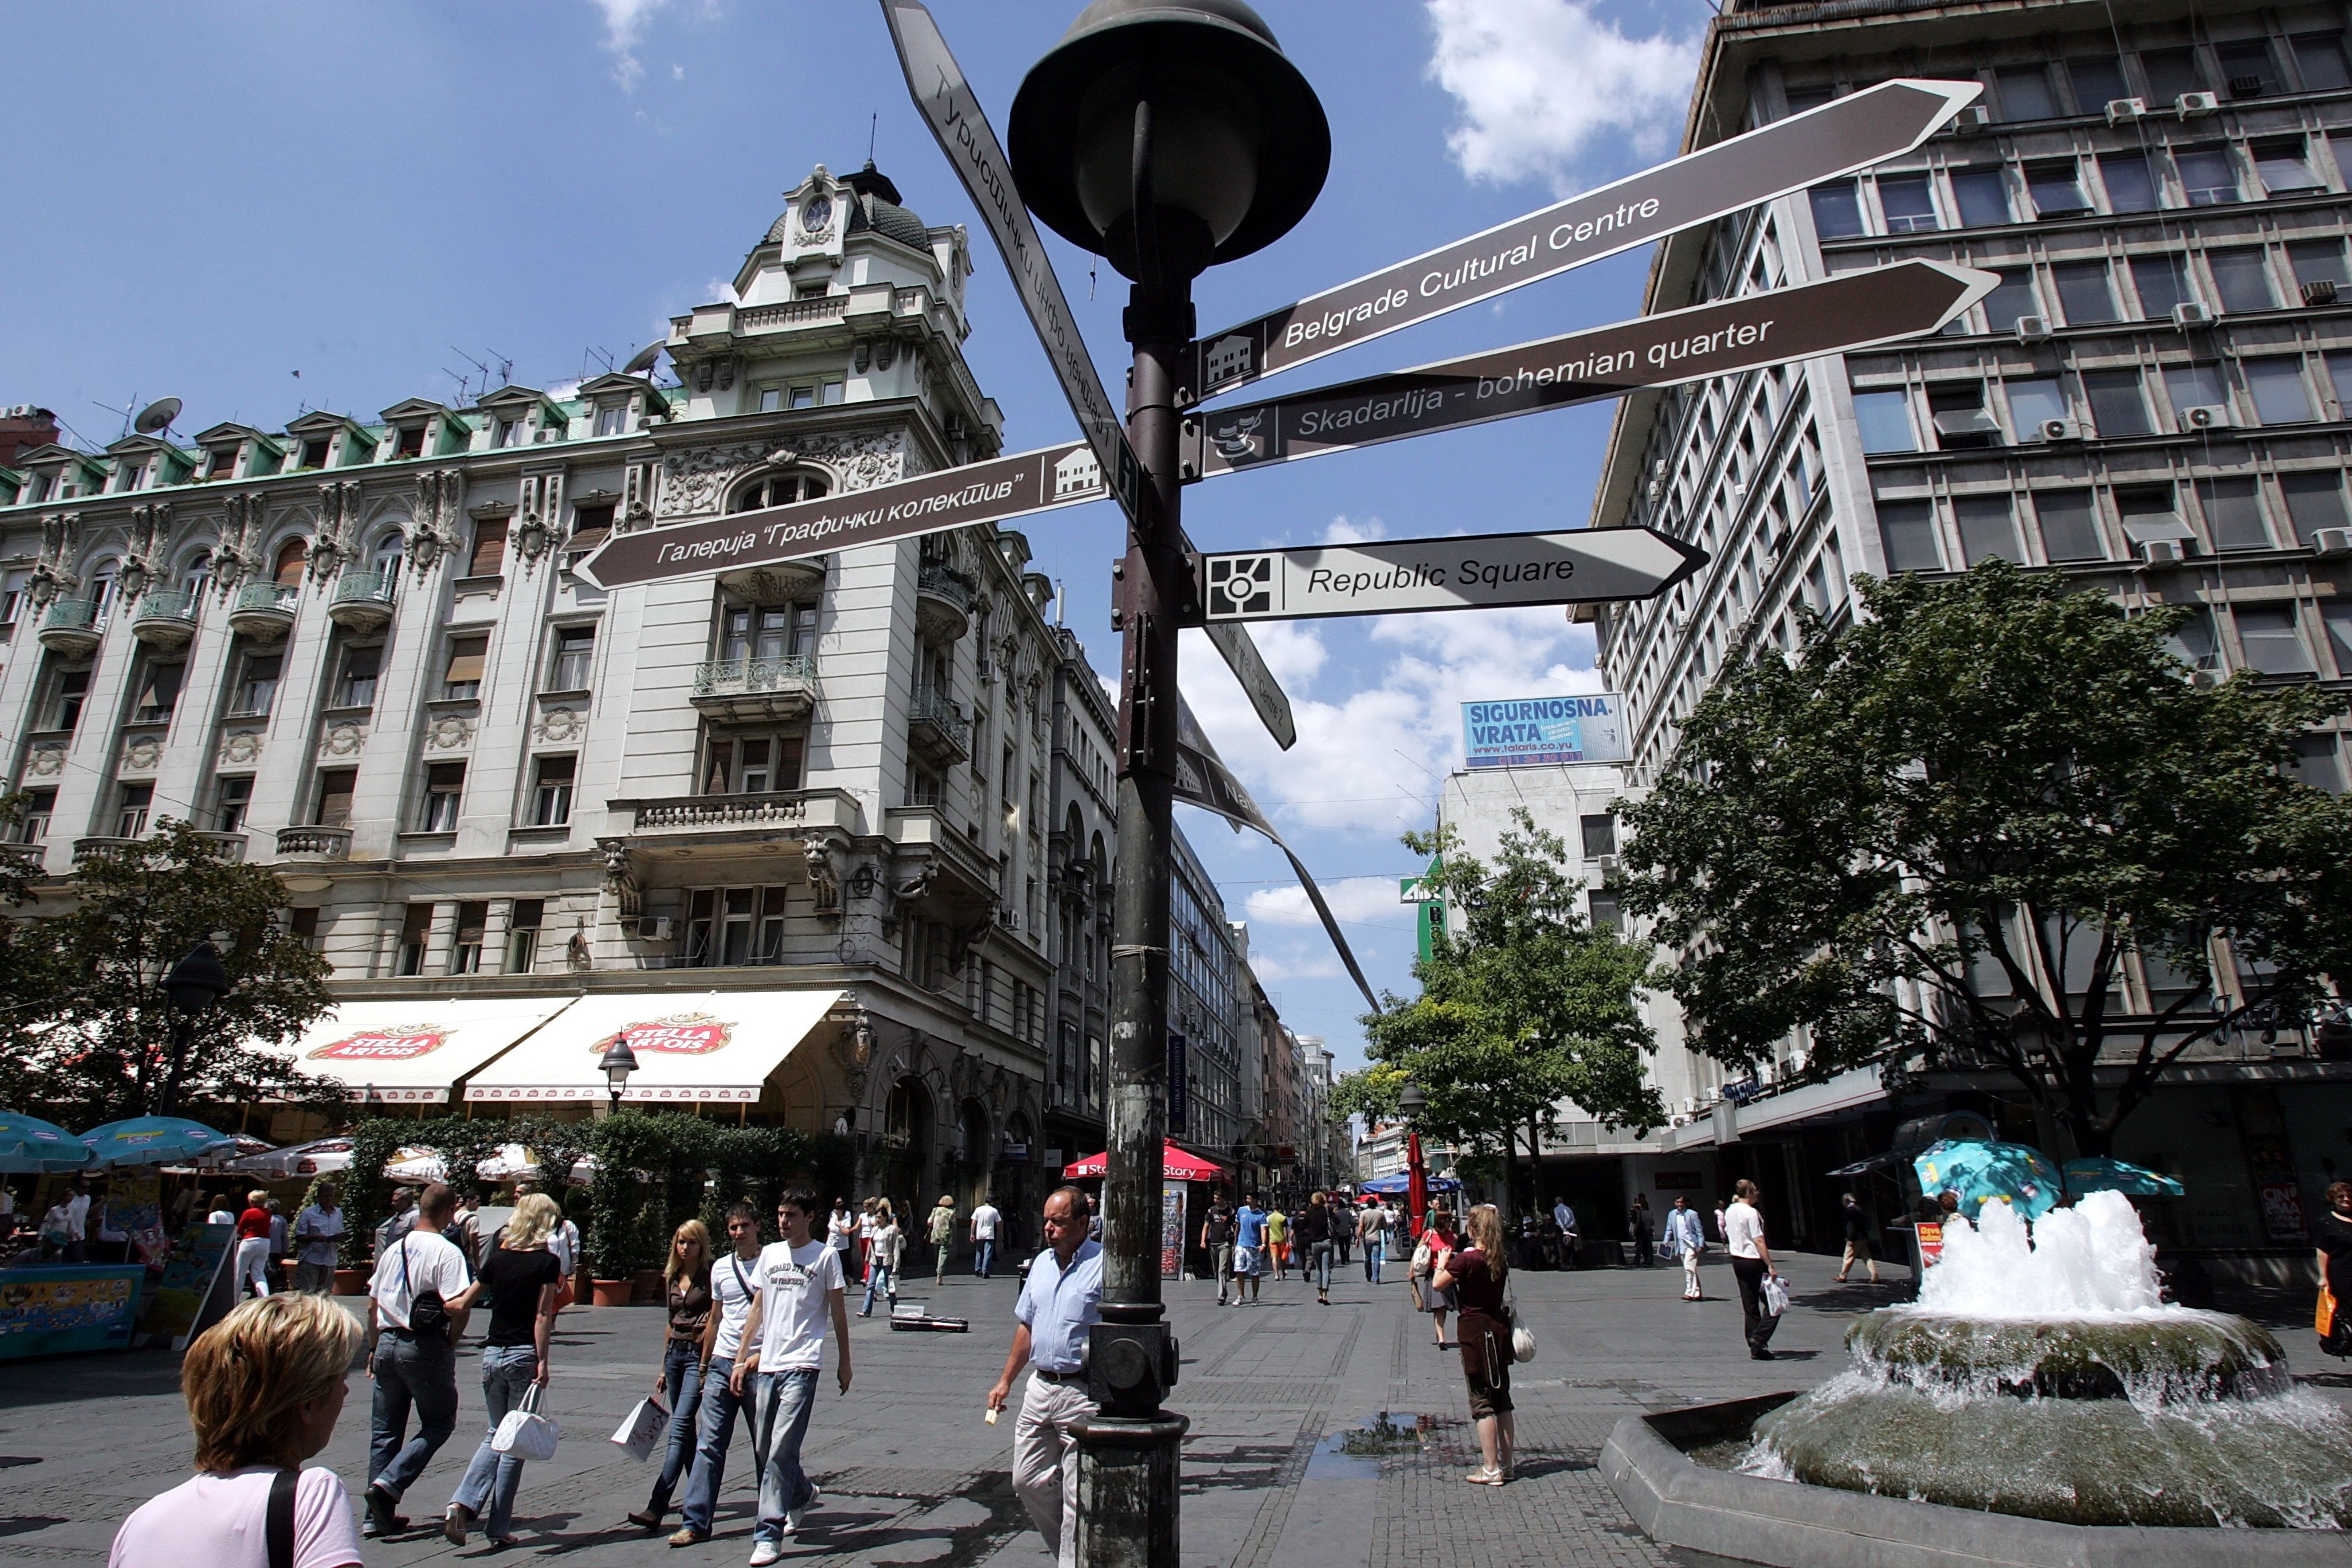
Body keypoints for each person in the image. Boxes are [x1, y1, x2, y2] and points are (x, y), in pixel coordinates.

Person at [107, 1293, 365, 1568]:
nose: (346, 1390)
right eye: (341, 1377)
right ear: (308, 1403)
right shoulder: (309, 1495)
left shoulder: (141, 1523)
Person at [731, 1189, 851, 1563]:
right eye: (781, 1214)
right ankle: (800, 1494)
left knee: (782, 1449)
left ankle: (767, 1533)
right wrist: (740, 1357)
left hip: (803, 1363)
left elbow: (838, 1314)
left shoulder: (826, 1257)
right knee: (764, 1448)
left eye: (791, 1215)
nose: (784, 1221)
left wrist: (844, 1362)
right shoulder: (769, 1254)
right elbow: (758, 1308)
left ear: (809, 1217)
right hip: (767, 1364)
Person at [987, 1187, 1101, 1568]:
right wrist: (1005, 1381)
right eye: (1047, 1221)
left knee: (1075, 1491)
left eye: (1059, 1221)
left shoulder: (1105, 1265)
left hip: (1081, 1391)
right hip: (1040, 1386)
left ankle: (1071, 1561)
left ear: (1083, 1223)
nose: (1049, 1229)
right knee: (1026, 1480)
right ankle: (1075, 1552)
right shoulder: (1040, 1263)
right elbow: (1027, 1325)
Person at [441, 1193, 562, 1547]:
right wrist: (543, 1359)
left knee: (494, 1432)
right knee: (513, 1444)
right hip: (523, 1355)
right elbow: (542, 1315)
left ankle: (461, 1503)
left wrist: (431, 1305)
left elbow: (464, 1301)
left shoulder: (499, 1257)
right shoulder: (547, 1263)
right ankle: (497, 1526)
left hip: (492, 1355)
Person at [362, 1181, 472, 1538]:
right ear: (447, 1212)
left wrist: (373, 1347)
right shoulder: (447, 1251)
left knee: (385, 1432)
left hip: (388, 1342)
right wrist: (451, 1341)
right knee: (439, 1422)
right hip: (423, 1346)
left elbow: (372, 1303)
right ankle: (387, 1485)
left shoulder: (395, 1248)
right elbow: (459, 1304)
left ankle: (374, 1518)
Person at [670, 1202, 765, 1549]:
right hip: (723, 1361)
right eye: (732, 1228)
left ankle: (771, 1516)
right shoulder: (721, 1267)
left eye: (744, 1226)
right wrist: (705, 1366)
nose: (738, 1233)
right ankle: (695, 1522)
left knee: (764, 1446)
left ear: (757, 1226)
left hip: (757, 1363)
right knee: (709, 1444)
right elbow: (715, 1318)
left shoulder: (771, 1262)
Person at [628, 1218, 714, 1531]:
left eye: (691, 1242)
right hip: (675, 1355)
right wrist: (663, 1366)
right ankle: (702, 1498)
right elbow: (669, 1320)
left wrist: (705, 1366)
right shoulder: (673, 1276)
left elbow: (716, 1320)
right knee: (686, 1432)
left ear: (701, 1245)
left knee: (678, 1430)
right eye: (681, 1241)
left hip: (696, 1356)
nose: (685, 1247)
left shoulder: (710, 1275)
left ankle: (656, 1506)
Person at [1430, 1204, 1516, 1485]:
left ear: (1473, 1229)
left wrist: (1442, 1262)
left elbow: (1438, 1285)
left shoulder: (1467, 1260)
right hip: (1498, 1328)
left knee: (1481, 1400)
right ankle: (1507, 1463)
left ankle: (1491, 1468)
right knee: (1502, 1399)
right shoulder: (1499, 1257)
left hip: (1473, 1331)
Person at [1724, 1179, 1780, 1361]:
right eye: (1755, 1191)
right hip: (1753, 1260)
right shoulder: (1751, 1213)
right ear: (1748, 1193)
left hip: (1737, 1259)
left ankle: (1754, 1345)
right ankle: (1760, 1338)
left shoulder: (1730, 1210)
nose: (1758, 1194)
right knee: (1774, 1303)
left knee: (1750, 1304)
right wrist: (1770, 1264)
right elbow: (1758, 1240)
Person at [2316, 1182, 2352, 1357]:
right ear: (2333, 1199)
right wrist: (2323, 1276)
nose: (2346, 1200)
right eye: (2341, 1197)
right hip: (2344, 1275)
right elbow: (2322, 1251)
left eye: (2349, 1196)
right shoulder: (2326, 1222)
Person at [293, 1185, 345, 1295]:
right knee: (308, 1295)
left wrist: (340, 1237)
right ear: (319, 1196)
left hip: (330, 1259)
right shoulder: (309, 1213)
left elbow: (339, 1232)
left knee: (324, 1296)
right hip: (312, 1259)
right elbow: (299, 1237)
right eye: (326, 1196)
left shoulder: (338, 1213)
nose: (329, 1199)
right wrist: (316, 1237)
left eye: (331, 1196)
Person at [1420, 1207, 1460, 1349]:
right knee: (1439, 1307)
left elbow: (1452, 1252)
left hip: (1447, 1274)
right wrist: (1412, 1272)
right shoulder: (1429, 1234)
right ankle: (1442, 1338)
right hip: (1433, 1273)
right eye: (1448, 1220)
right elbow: (1419, 1253)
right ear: (1441, 1221)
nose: (1451, 1223)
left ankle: (1440, 1334)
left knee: (1443, 1306)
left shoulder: (1452, 1236)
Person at [861, 1201, 902, 1317]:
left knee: (890, 1286)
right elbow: (871, 1245)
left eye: (880, 1217)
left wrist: (896, 1265)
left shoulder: (892, 1229)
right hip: (875, 1260)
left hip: (887, 1260)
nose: (878, 1220)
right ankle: (866, 1311)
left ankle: (894, 1308)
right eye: (876, 1217)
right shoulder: (875, 1230)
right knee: (871, 1284)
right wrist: (867, 1258)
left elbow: (895, 1247)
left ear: (886, 1217)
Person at [1664, 1195, 1707, 1301]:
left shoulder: (1692, 1214)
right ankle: (1697, 1293)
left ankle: (1689, 1292)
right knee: (1690, 1268)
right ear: (1675, 1203)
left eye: (1682, 1202)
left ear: (1685, 1203)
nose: (1680, 1204)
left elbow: (1699, 1230)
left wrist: (1701, 1244)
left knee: (1688, 1267)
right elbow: (1669, 1229)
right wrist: (1666, 1241)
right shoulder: (1672, 1214)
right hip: (1681, 1245)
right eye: (1678, 1202)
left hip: (1692, 1245)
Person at [234, 1190, 273, 1299]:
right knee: (258, 1273)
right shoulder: (268, 1213)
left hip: (249, 1241)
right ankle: (265, 1299)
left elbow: (240, 1229)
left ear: (252, 1201)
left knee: (240, 1273)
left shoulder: (248, 1212)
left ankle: (234, 1300)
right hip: (265, 1242)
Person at [1297, 1191, 1335, 1306]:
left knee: (1318, 1269)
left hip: (1315, 1243)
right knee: (1325, 1269)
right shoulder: (1326, 1210)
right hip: (1327, 1242)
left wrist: (1311, 1231)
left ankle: (1319, 1295)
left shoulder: (1309, 1211)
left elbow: (1302, 1226)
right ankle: (1325, 1296)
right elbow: (1336, 1221)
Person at [1835, 1192, 1881, 1285]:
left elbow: (1850, 1226)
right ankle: (1875, 1276)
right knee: (1867, 1257)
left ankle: (1842, 1276)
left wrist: (1850, 1238)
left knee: (1848, 1256)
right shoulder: (1858, 1208)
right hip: (1863, 1237)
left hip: (1855, 1238)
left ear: (1845, 1201)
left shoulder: (1850, 1211)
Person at [1200, 1197, 1236, 1304]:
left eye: (1218, 1198)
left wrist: (1234, 1240)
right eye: (1214, 1198)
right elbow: (1206, 1226)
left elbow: (1235, 1225)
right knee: (1216, 1271)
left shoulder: (1231, 1211)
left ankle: (1220, 1295)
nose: (1216, 1200)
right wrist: (1203, 1240)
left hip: (1225, 1244)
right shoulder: (1211, 1211)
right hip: (1213, 1244)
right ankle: (1223, 1291)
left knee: (1222, 1269)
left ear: (1223, 1199)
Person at [1232, 1194, 1268, 1304]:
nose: (1247, 1200)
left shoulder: (1261, 1215)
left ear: (1255, 1200)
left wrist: (1263, 1244)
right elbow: (1237, 1227)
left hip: (1254, 1247)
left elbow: (1264, 1230)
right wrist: (1235, 1243)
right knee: (1239, 1270)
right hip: (1241, 1245)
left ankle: (1255, 1297)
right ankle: (1240, 1296)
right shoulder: (1241, 1210)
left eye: (1249, 1199)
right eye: (1246, 1198)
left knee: (1255, 1273)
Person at [374, 1188, 418, 1257]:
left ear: (405, 1202)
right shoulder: (397, 1216)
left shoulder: (414, 1217)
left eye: (396, 1201)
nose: (392, 1203)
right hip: (391, 1259)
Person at [970, 1194, 1002, 1280]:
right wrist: (1000, 1233)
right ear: (992, 1202)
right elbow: (999, 1223)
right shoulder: (994, 1211)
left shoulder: (978, 1209)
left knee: (979, 1252)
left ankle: (977, 1269)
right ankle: (985, 1271)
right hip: (989, 1234)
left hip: (979, 1234)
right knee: (988, 1253)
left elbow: (973, 1222)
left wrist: (972, 1234)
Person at [927, 1194, 958, 1284]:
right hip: (946, 1235)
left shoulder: (935, 1210)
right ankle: (939, 1275)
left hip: (935, 1235)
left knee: (936, 1252)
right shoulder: (951, 1212)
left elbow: (929, 1222)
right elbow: (953, 1224)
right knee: (943, 1254)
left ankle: (937, 1267)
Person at [1359, 1199, 1387, 1284]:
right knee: (1377, 1258)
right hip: (1377, 1238)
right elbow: (1384, 1226)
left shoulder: (1363, 1213)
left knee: (1368, 1257)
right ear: (1376, 1204)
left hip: (1367, 1238)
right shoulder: (1380, 1213)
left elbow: (1361, 1226)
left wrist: (1358, 1238)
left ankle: (1368, 1276)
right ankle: (1376, 1278)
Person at [1629, 1193, 1654, 1268]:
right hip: (1649, 1230)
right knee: (1649, 1247)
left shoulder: (1640, 1213)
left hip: (1642, 1232)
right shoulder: (1650, 1213)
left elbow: (1639, 1222)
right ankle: (1650, 1260)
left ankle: (1637, 1260)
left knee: (1639, 1247)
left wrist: (1635, 1231)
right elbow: (1653, 1222)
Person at [1266, 1202, 1289, 1279]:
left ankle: (1276, 1274)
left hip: (1272, 1240)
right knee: (1283, 1258)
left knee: (1274, 1257)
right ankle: (1283, 1271)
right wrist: (1287, 1241)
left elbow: (1266, 1229)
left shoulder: (1269, 1218)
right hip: (1281, 1240)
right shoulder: (1283, 1218)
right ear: (1280, 1209)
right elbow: (1285, 1230)